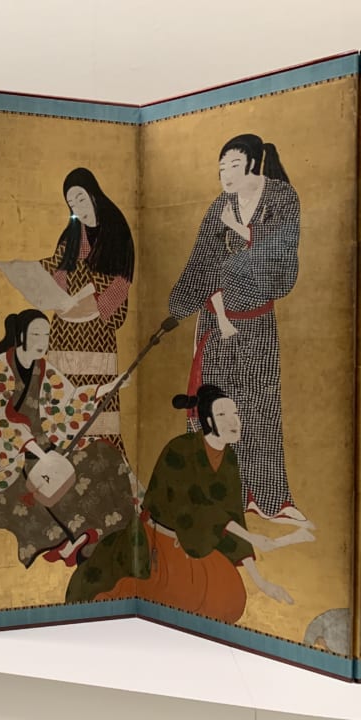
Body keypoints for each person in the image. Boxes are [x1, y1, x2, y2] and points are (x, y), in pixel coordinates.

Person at [71, 385, 313, 619]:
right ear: (208, 421)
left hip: (198, 542)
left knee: (231, 601)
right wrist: (251, 537)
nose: (234, 421)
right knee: (175, 599)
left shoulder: (229, 459)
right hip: (160, 540)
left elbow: (233, 515)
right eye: (223, 415)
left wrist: (261, 582)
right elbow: (195, 508)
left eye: (235, 413)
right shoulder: (180, 449)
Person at [168, 134, 305, 525]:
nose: (225, 174)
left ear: (253, 164)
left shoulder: (281, 198)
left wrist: (243, 232)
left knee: (260, 407)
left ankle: (269, 499)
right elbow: (203, 262)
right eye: (220, 167)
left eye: (232, 165)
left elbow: (283, 258)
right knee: (218, 407)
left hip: (257, 322)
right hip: (218, 320)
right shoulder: (221, 206)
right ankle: (222, 494)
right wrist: (181, 307)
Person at [0, 309, 136, 568]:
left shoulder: (43, 367)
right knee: (50, 490)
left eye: (46, 335)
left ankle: (111, 530)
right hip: (9, 452)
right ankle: (77, 536)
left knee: (103, 455)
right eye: (36, 334)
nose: (42, 341)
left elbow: (69, 400)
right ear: (22, 335)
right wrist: (40, 454)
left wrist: (109, 387)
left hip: (46, 443)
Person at [38, 168, 135, 457]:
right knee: (63, 397)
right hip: (65, 332)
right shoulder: (70, 234)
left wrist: (95, 303)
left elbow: (122, 282)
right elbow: (59, 272)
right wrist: (56, 291)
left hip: (97, 333)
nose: (77, 207)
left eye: (80, 198)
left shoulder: (116, 230)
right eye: (71, 203)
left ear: (93, 194)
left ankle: (104, 459)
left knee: (98, 398)